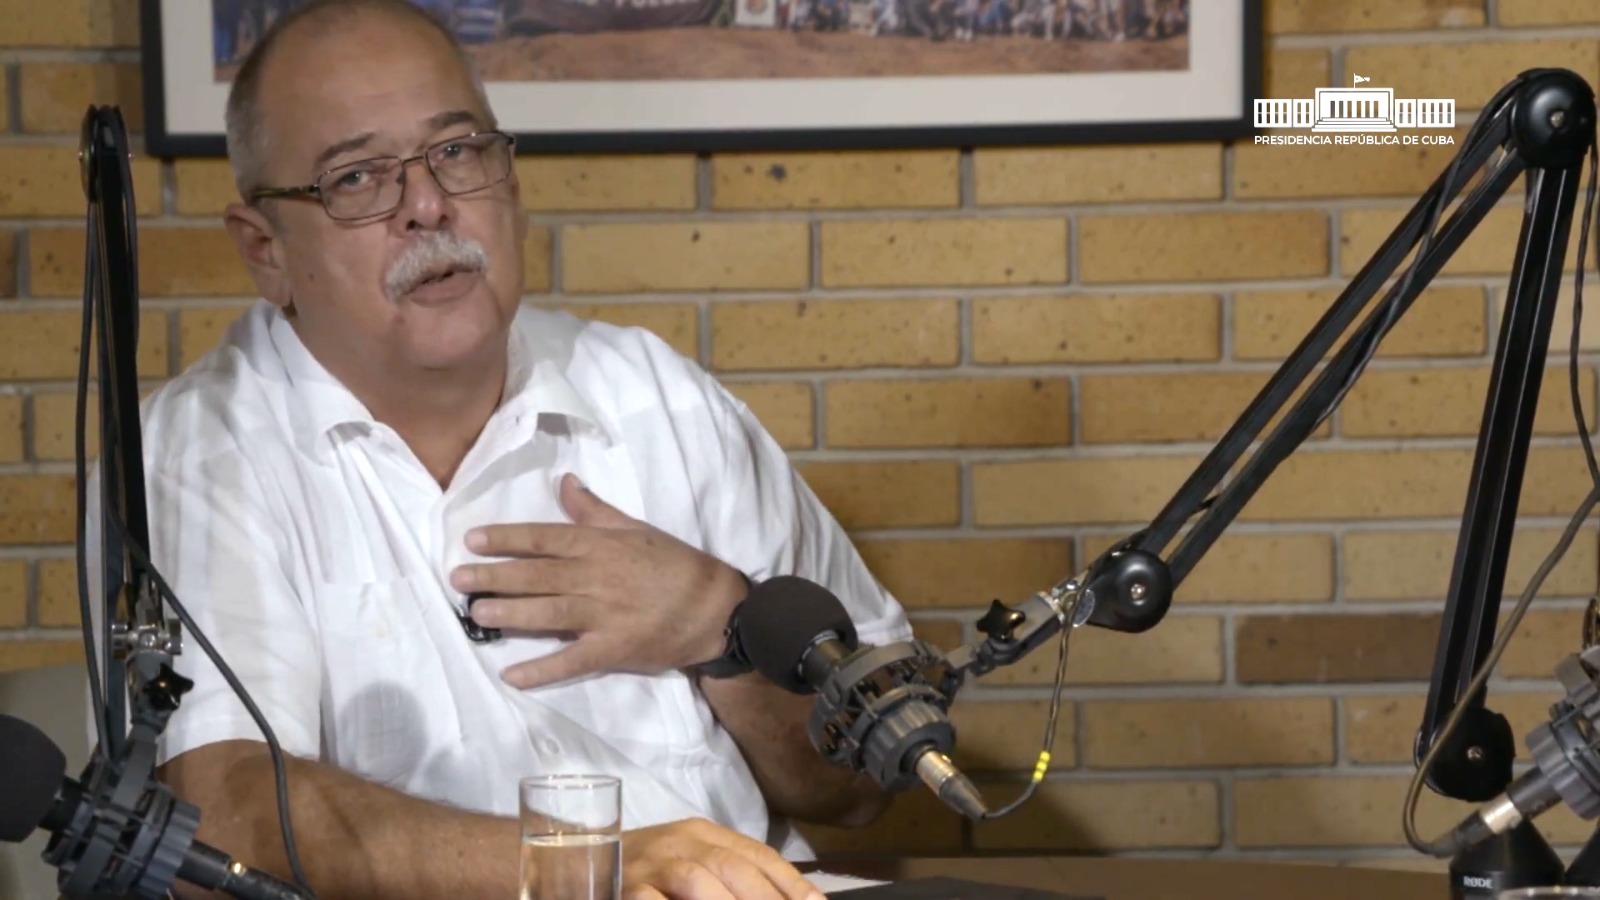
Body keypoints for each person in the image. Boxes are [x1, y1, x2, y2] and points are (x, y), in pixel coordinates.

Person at [101, 0, 915, 897]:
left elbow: (864, 786)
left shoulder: (661, 398)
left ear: (512, 187)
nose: (428, 206)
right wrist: (589, 867)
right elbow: (219, 815)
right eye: (357, 178)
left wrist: (718, 628)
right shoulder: (194, 453)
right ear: (266, 252)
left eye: (456, 151)